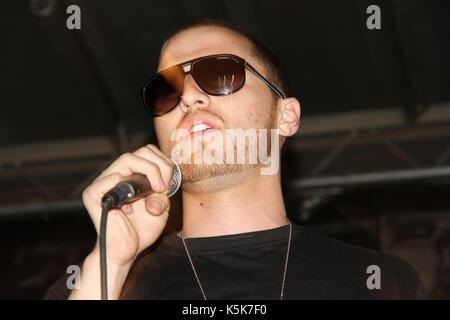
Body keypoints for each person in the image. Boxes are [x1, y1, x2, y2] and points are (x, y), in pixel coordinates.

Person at [44, 19, 423, 300]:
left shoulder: (375, 280)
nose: (189, 96)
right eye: (167, 90)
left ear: (285, 116)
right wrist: (112, 262)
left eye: (220, 73)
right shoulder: (99, 281)